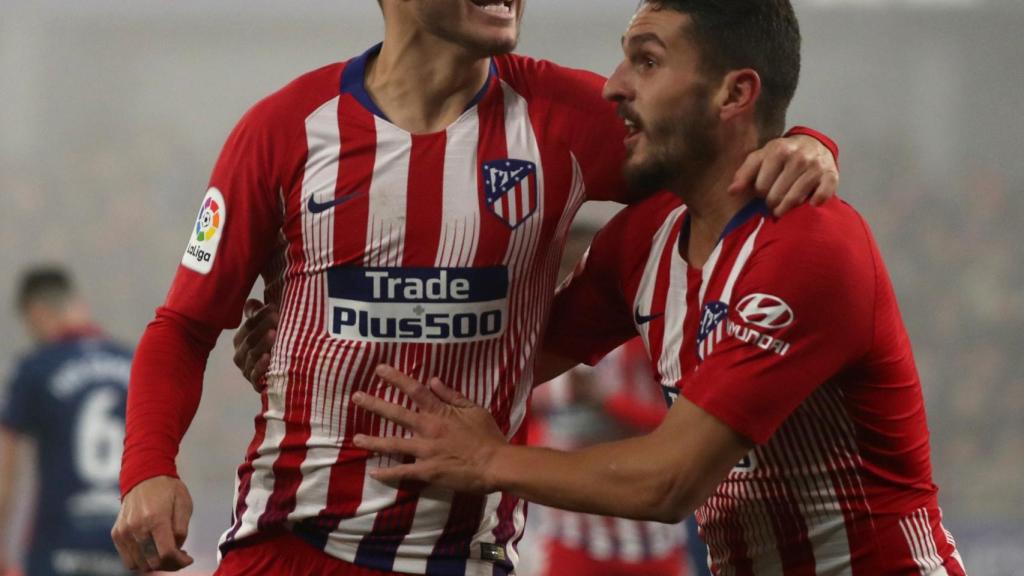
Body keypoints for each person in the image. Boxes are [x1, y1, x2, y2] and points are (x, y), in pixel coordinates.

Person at [112, 0, 841, 573]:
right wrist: (147, 469)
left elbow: (716, 137)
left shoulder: (565, 117)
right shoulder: (284, 130)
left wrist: (806, 142)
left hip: (464, 558)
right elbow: (182, 326)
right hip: (289, 547)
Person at [349, 1, 968, 574]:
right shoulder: (644, 236)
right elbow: (500, 361)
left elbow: (669, 481)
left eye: (646, 60)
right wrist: (316, 330)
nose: (615, 85)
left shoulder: (809, 247)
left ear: (734, 93)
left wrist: (487, 461)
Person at [0, 267, 133, 576]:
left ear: (37, 313)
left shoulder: (34, 368)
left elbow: (6, 470)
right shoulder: (133, 363)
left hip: (57, 546)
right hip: (126, 545)